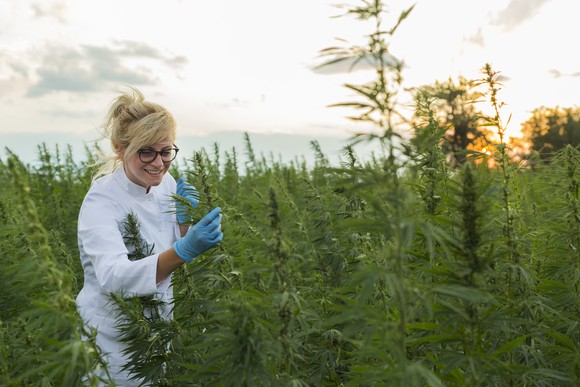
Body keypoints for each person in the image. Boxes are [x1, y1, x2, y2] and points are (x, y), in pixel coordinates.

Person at [76, 87, 223, 386]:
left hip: (159, 328)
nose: (159, 163)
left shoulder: (164, 182)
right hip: (113, 341)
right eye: (146, 152)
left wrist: (184, 226)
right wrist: (185, 249)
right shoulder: (100, 202)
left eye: (166, 151)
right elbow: (114, 277)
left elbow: (164, 248)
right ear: (120, 148)